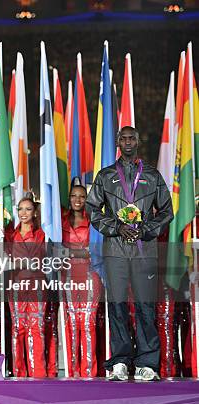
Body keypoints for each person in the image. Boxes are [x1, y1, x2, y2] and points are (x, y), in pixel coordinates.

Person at [86, 126, 173, 381]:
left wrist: (145, 229)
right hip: (115, 251)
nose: (127, 142)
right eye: (123, 138)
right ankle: (121, 361)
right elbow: (93, 210)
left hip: (145, 251)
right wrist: (116, 227)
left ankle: (147, 362)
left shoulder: (153, 176)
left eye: (131, 138)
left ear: (138, 141)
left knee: (146, 307)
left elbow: (167, 211)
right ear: (118, 143)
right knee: (117, 306)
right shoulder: (106, 175)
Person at [61, 178, 102, 377]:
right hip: (67, 277)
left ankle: (89, 372)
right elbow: (55, 251)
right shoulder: (60, 222)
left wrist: (73, 253)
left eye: (82, 196)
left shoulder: (94, 221)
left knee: (87, 324)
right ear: (69, 198)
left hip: (90, 275)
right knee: (72, 324)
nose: (78, 200)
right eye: (74, 196)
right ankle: (73, 371)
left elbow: (96, 252)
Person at [5, 195, 47, 378]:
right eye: (20, 209)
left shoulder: (41, 234)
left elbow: (38, 260)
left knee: (36, 328)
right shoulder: (10, 235)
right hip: (16, 286)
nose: (23, 213)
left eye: (28, 209)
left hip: (36, 285)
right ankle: (18, 372)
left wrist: (17, 262)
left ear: (35, 212)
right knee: (17, 328)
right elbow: (3, 263)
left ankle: (38, 373)